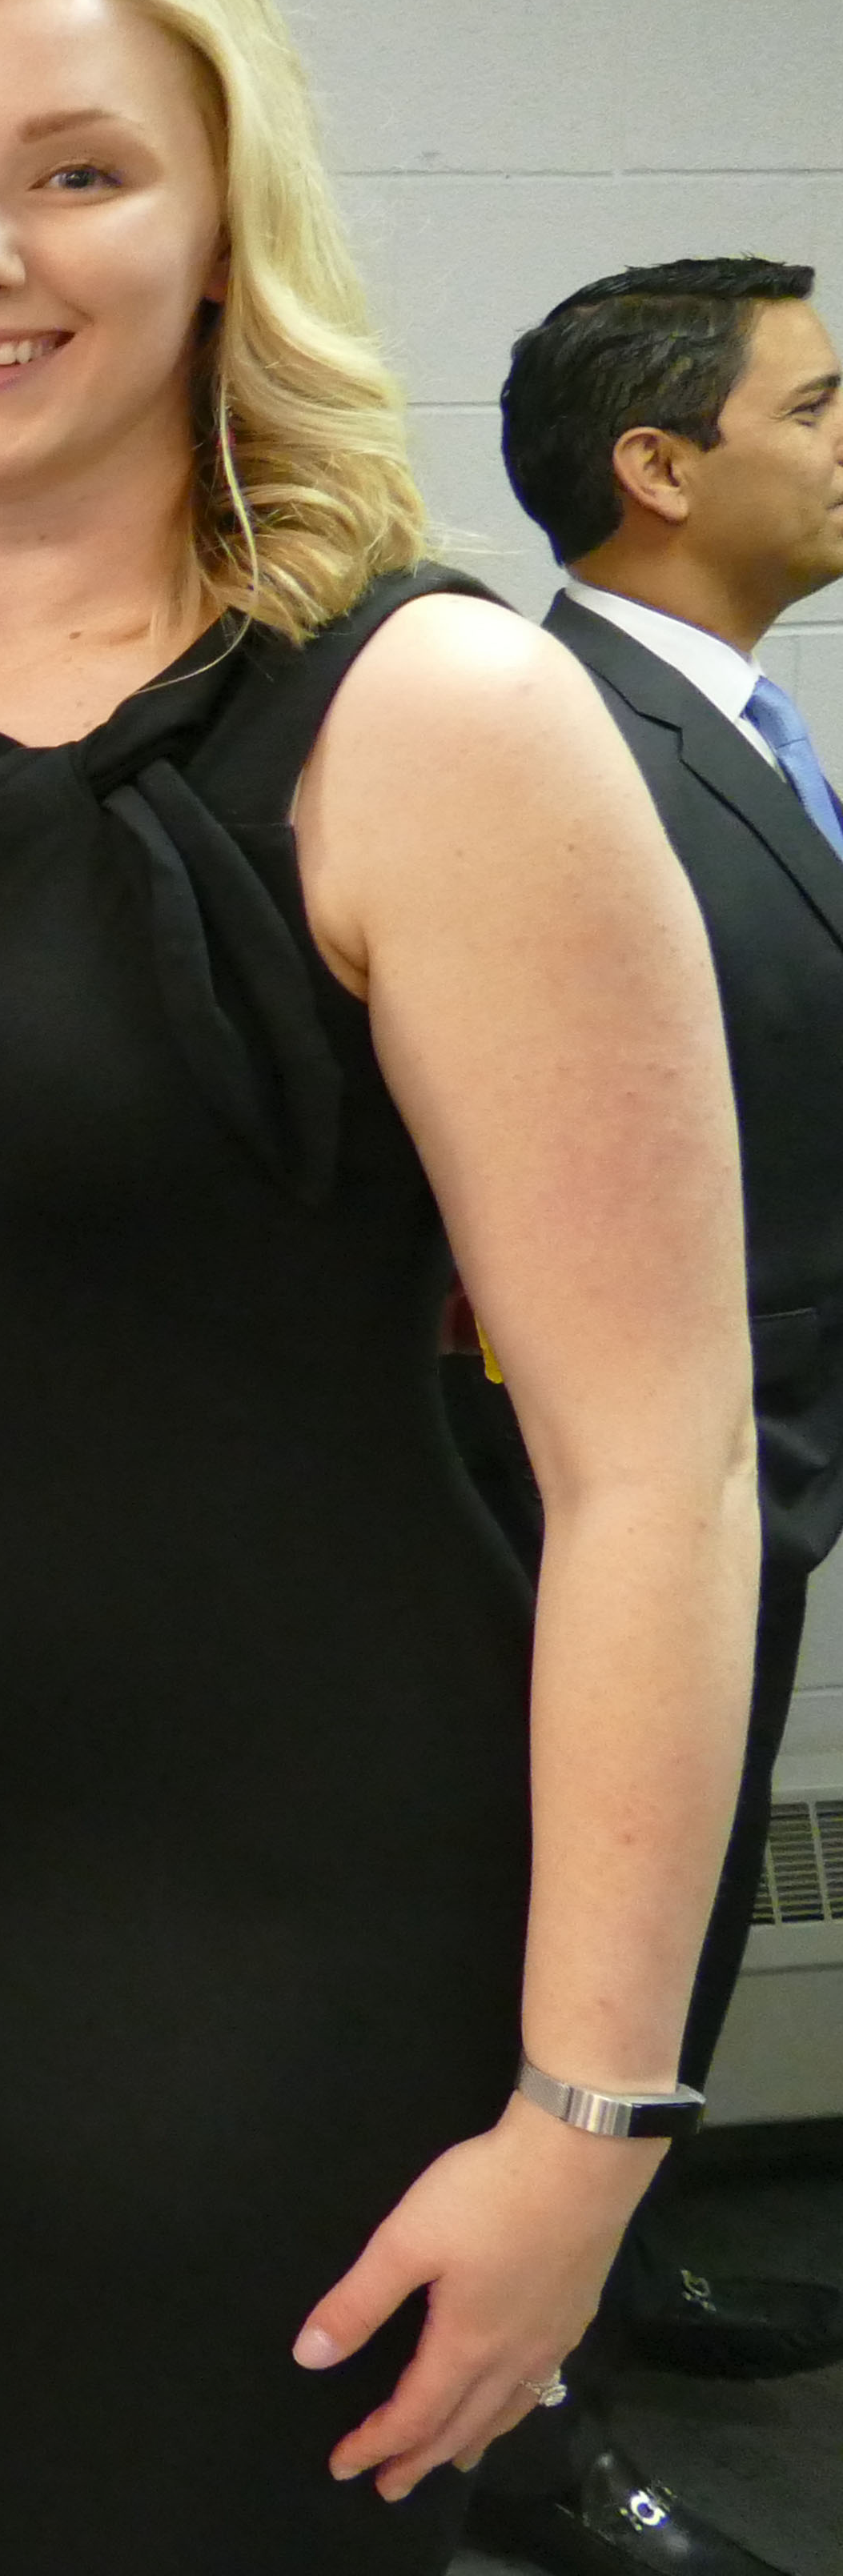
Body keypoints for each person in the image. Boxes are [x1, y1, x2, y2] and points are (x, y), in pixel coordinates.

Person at [0, 0, 756, 2576]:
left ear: (226, 231)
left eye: (79, 172)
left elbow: (662, 1472)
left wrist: (587, 2124)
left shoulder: (431, 718)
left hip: (261, 1974)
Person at [460, 257, 843, 2576]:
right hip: (605, 1488)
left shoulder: (745, 722)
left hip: (760, 1467)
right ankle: (526, 2414)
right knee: (578, 1933)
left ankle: (632, 2251)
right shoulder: (557, 736)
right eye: (821, 404)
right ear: (662, 467)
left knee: (681, 1918)